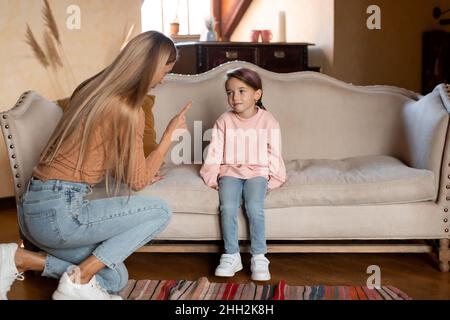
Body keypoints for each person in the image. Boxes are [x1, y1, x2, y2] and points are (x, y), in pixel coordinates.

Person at [0, 31, 192, 300]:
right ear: (150, 66)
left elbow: (111, 161)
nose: (163, 79)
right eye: (165, 70)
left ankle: (19, 259)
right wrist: (169, 136)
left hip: (35, 210)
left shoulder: (92, 90)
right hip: (61, 214)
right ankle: (80, 279)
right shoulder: (128, 109)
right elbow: (137, 181)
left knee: (114, 278)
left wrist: (145, 168)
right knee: (160, 212)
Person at [200, 67, 286, 281]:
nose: (234, 97)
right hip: (230, 172)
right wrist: (211, 176)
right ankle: (231, 255)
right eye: (230, 92)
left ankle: (259, 256)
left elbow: (274, 151)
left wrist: (274, 178)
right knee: (227, 207)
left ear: (257, 94)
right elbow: (215, 152)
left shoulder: (268, 120)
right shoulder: (224, 121)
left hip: (257, 172)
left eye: (241, 91)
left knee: (254, 207)